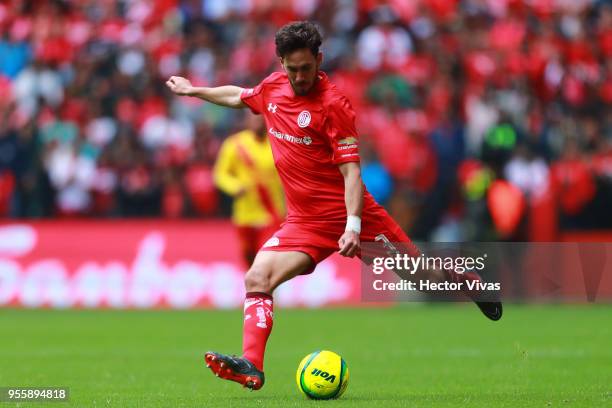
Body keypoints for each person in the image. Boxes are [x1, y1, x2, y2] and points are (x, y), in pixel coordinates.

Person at [166, 21, 502, 391]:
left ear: (319, 60)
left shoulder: (333, 105)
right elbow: (238, 96)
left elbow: (351, 174)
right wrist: (194, 90)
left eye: (306, 68)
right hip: (303, 224)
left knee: (420, 277)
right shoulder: (273, 88)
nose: (299, 77)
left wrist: (354, 225)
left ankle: (466, 281)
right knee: (257, 278)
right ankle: (252, 364)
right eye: (292, 69)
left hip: (352, 216)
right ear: (281, 64)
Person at [213, 112, 285, 266]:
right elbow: (220, 174)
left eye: (261, 119)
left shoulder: (278, 143)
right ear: (247, 120)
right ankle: (256, 289)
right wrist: (234, 186)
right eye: (254, 118)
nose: (257, 122)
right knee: (248, 259)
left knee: (266, 259)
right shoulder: (235, 144)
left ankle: (271, 289)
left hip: (271, 213)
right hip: (244, 214)